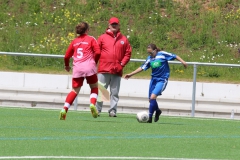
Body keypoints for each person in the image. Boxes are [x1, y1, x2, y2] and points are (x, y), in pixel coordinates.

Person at [124, 44, 187, 123]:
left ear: (155, 50)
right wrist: (130, 74)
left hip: (162, 79)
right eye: (148, 53)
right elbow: (142, 67)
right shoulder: (149, 58)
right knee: (151, 100)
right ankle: (157, 111)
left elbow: (174, 56)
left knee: (153, 97)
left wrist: (183, 62)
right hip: (153, 80)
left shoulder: (162, 54)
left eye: (150, 53)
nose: (149, 55)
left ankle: (149, 118)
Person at [59, 22, 100, 120]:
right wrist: (94, 61)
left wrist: (67, 66)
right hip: (89, 67)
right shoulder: (91, 39)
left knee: (74, 91)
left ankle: (64, 109)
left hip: (77, 68)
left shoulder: (74, 41)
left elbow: (66, 56)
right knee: (94, 87)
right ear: (87, 30)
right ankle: (92, 104)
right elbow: (98, 52)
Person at [95, 17, 132, 117]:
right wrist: (94, 63)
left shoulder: (124, 39)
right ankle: (97, 110)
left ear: (119, 25)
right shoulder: (102, 37)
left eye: (116, 24)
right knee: (101, 90)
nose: (114, 26)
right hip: (104, 68)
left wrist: (122, 64)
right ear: (109, 25)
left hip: (117, 70)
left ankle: (113, 111)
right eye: (112, 24)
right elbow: (97, 52)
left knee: (114, 92)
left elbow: (128, 53)